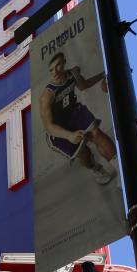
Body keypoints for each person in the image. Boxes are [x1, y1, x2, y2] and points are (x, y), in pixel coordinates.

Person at [39, 52, 118, 185]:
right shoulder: (47, 95)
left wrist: (102, 74)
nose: (55, 71)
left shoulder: (72, 75)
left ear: (64, 63)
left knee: (96, 133)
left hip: (74, 114)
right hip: (58, 130)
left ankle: (119, 169)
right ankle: (96, 168)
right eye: (51, 69)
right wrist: (69, 135)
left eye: (58, 66)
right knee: (84, 154)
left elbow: (83, 85)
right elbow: (48, 126)